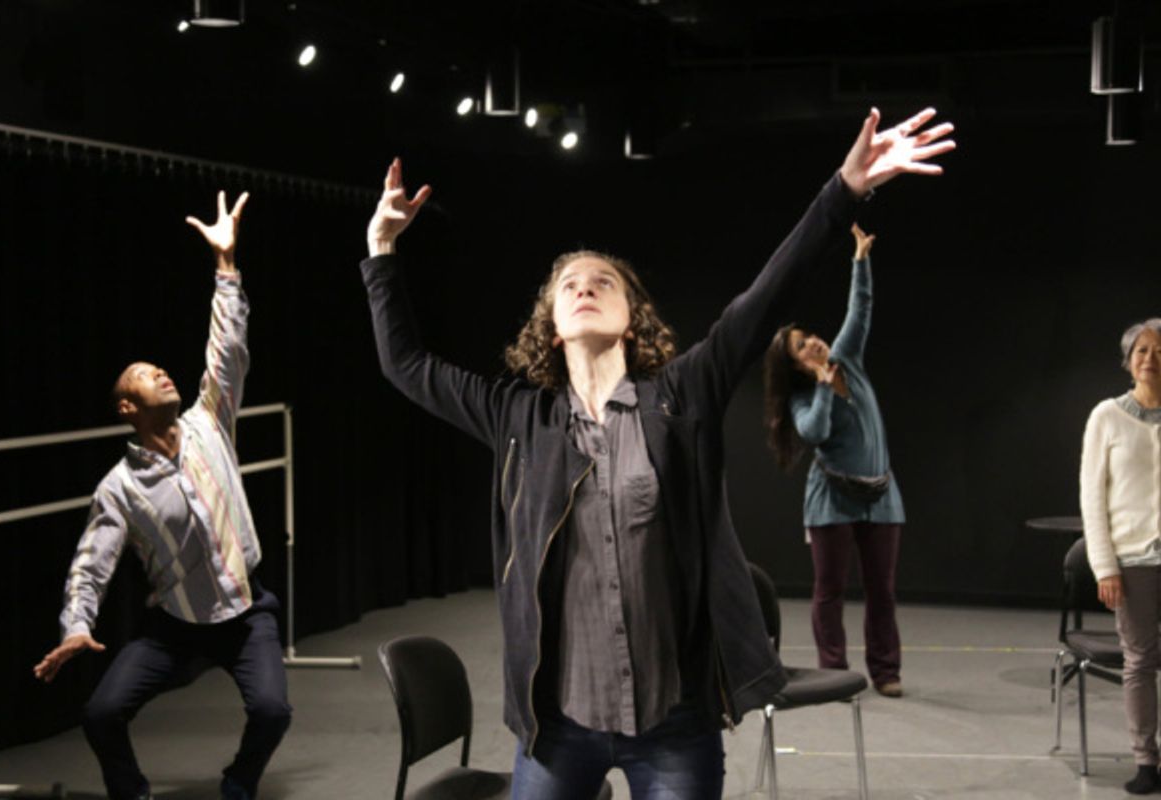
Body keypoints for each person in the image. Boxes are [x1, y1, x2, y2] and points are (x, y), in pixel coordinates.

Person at [361, 107, 954, 798]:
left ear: (631, 323)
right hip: (558, 728)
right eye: (569, 286)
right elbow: (405, 365)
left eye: (603, 282)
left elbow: (765, 299)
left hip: (675, 725)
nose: (585, 287)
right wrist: (381, 250)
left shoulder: (682, 397)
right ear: (551, 329)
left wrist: (844, 191)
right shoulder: (518, 417)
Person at [33, 191, 291, 800]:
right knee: (101, 713)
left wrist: (226, 266)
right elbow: (90, 567)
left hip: (247, 613)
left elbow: (227, 350)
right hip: (176, 625)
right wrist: (75, 626)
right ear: (128, 406)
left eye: (162, 369)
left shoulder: (210, 423)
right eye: (148, 375)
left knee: (273, 711)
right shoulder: (120, 488)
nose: (163, 374)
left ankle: (239, 781)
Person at [762, 223, 905, 698]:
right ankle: (835, 672)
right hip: (831, 501)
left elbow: (859, 310)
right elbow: (815, 433)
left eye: (810, 336)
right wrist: (823, 386)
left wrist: (860, 260)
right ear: (795, 365)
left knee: (882, 590)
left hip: (881, 496)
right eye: (801, 346)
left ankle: (885, 671)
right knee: (830, 591)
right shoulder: (803, 399)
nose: (814, 343)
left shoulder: (849, 360)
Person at [1082, 319, 1161, 794]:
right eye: (1142, 351)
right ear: (1129, 361)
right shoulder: (1106, 416)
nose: (1151, 358)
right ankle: (1146, 759)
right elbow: (1092, 498)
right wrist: (1104, 566)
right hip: (1132, 560)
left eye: (1160, 350)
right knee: (1140, 660)